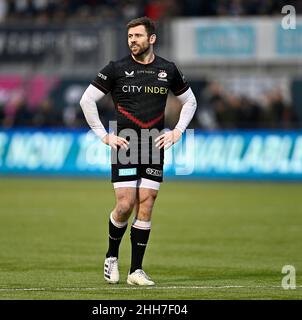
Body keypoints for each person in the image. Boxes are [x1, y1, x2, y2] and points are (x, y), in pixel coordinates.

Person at [79, 16, 197, 286]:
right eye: (130, 36)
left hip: (155, 141)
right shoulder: (116, 68)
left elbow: (190, 101)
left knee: (147, 201)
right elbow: (87, 100)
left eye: (138, 36)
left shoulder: (168, 69)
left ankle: (136, 271)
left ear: (151, 39)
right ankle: (111, 257)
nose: (132, 41)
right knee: (125, 204)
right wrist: (104, 136)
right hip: (126, 141)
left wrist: (178, 131)